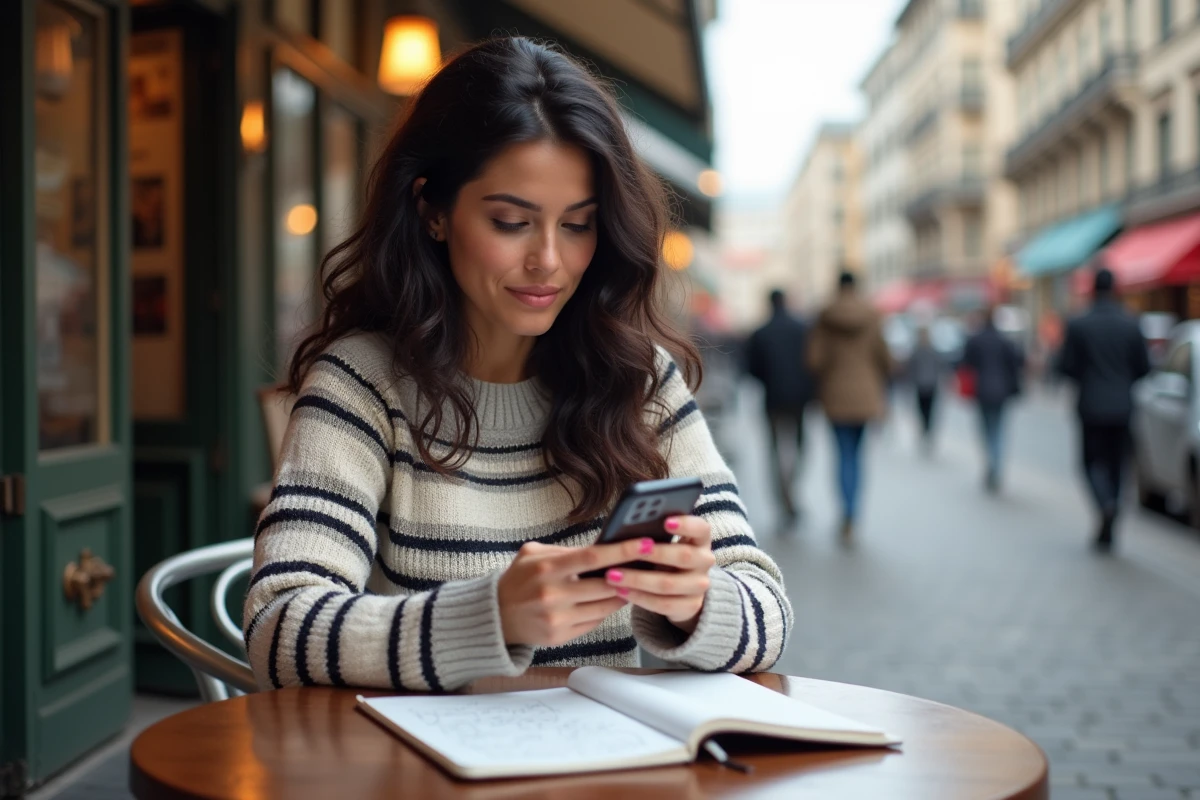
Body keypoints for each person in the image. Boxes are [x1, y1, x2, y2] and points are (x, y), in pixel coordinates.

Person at [243, 38, 792, 691]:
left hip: (602, 779)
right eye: (511, 221)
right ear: (432, 211)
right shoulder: (363, 382)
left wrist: (694, 601)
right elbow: (279, 629)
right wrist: (494, 618)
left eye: (579, 225)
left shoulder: (637, 379)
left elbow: (770, 613)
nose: (549, 262)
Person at [1057, 268, 1151, 552]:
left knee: (1089, 463)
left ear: (1092, 289)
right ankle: (1110, 512)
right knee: (1117, 466)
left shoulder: (1079, 323)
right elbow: (1144, 367)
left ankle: (1105, 504)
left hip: (1091, 405)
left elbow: (1065, 366)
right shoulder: (1130, 324)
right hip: (1122, 406)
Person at [807, 271, 892, 543]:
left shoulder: (825, 316)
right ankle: (854, 513)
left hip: (835, 397)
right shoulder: (872, 315)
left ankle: (845, 511)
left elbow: (814, 360)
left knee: (842, 455)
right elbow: (885, 358)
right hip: (867, 396)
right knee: (858, 456)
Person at [745, 289, 814, 524]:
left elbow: (751, 370)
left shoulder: (760, 333)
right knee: (801, 448)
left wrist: (769, 380)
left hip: (772, 399)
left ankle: (783, 497)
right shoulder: (802, 329)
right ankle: (790, 490)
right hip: (799, 400)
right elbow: (812, 363)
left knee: (774, 452)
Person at [962, 307, 1024, 493]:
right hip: (1001, 391)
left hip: (982, 391)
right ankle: (996, 464)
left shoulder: (976, 340)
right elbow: (1017, 363)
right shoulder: (1005, 341)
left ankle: (992, 463)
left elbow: (965, 363)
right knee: (998, 429)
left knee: (986, 429)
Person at [907, 326, 943, 452]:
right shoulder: (932, 349)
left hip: (920, 385)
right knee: (929, 411)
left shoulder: (917, 350)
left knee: (922, 411)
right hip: (931, 385)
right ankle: (927, 431)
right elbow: (940, 366)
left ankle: (925, 430)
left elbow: (910, 368)